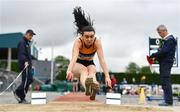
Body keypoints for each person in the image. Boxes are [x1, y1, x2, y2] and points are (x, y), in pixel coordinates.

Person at [66, 6, 111, 100]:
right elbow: (74, 58)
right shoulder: (78, 42)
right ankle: (88, 87)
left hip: (90, 62)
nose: (89, 39)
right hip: (77, 63)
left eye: (91, 36)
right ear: (82, 36)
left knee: (92, 71)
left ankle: (93, 87)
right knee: (84, 71)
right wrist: (69, 70)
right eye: (86, 37)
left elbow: (102, 60)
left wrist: (107, 77)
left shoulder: (97, 42)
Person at [149, 25, 177, 106]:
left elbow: (164, 52)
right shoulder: (167, 40)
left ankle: (168, 101)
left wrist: (153, 55)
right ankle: (167, 100)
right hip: (164, 62)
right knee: (164, 81)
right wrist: (155, 58)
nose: (159, 34)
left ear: (165, 30)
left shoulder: (170, 40)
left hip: (166, 63)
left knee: (166, 81)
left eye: (160, 32)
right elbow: (163, 52)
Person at [13, 29, 36, 103]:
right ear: (26, 34)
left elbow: (28, 55)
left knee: (29, 80)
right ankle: (18, 92)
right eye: (30, 35)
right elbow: (21, 54)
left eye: (32, 36)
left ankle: (22, 98)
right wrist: (25, 61)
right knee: (27, 80)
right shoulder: (22, 42)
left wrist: (31, 65)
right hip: (24, 65)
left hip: (28, 65)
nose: (31, 37)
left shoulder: (27, 43)